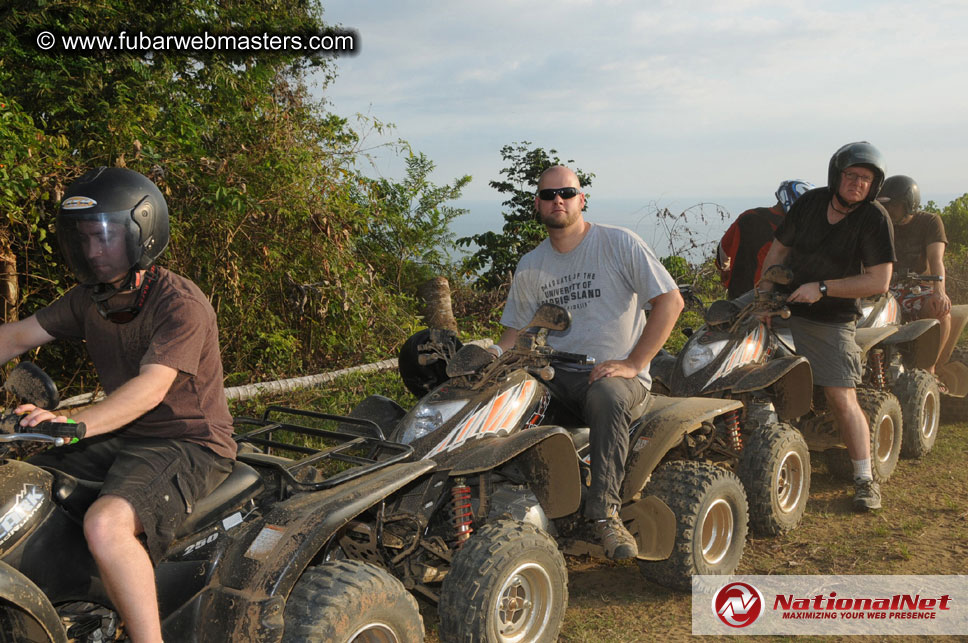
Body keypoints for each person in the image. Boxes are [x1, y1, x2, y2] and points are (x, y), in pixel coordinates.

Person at [0, 167, 236, 643]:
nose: (92, 251)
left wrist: (77, 421)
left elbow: (151, 388)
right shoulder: (91, 299)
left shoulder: (180, 304)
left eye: (104, 238)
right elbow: (16, 336)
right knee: (22, 488)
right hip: (124, 434)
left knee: (106, 525)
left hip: (189, 441)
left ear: (142, 235)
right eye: (84, 238)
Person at [490, 165, 684, 560]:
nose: (556, 200)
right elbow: (515, 333)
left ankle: (605, 515)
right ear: (537, 204)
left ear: (581, 199)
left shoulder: (618, 244)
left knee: (607, 394)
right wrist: (488, 361)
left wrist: (633, 362)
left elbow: (670, 301)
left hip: (615, 377)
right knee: (505, 402)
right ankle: (511, 506)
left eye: (566, 192)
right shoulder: (531, 264)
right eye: (547, 195)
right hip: (554, 376)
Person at [757, 142, 895, 512]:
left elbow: (879, 281)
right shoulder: (810, 203)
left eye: (865, 179)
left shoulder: (873, 219)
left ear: (874, 185)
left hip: (831, 319)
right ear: (837, 175)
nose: (857, 184)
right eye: (851, 175)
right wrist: (763, 298)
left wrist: (822, 289)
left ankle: (865, 478)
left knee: (840, 395)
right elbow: (778, 253)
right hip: (784, 304)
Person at [878, 175, 961, 377]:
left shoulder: (930, 222)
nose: (889, 210)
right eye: (885, 206)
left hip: (919, 287)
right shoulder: (880, 223)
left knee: (940, 311)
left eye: (894, 206)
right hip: (883, 288)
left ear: (909, 204)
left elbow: (936, 260)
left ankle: (929, 371)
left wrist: (939, 292)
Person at [716, 179, 815, 299]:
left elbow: (723, 250)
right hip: (770, 300)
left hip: (737, 296)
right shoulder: (795, 231)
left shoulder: (747, 216)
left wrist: (725, 272)